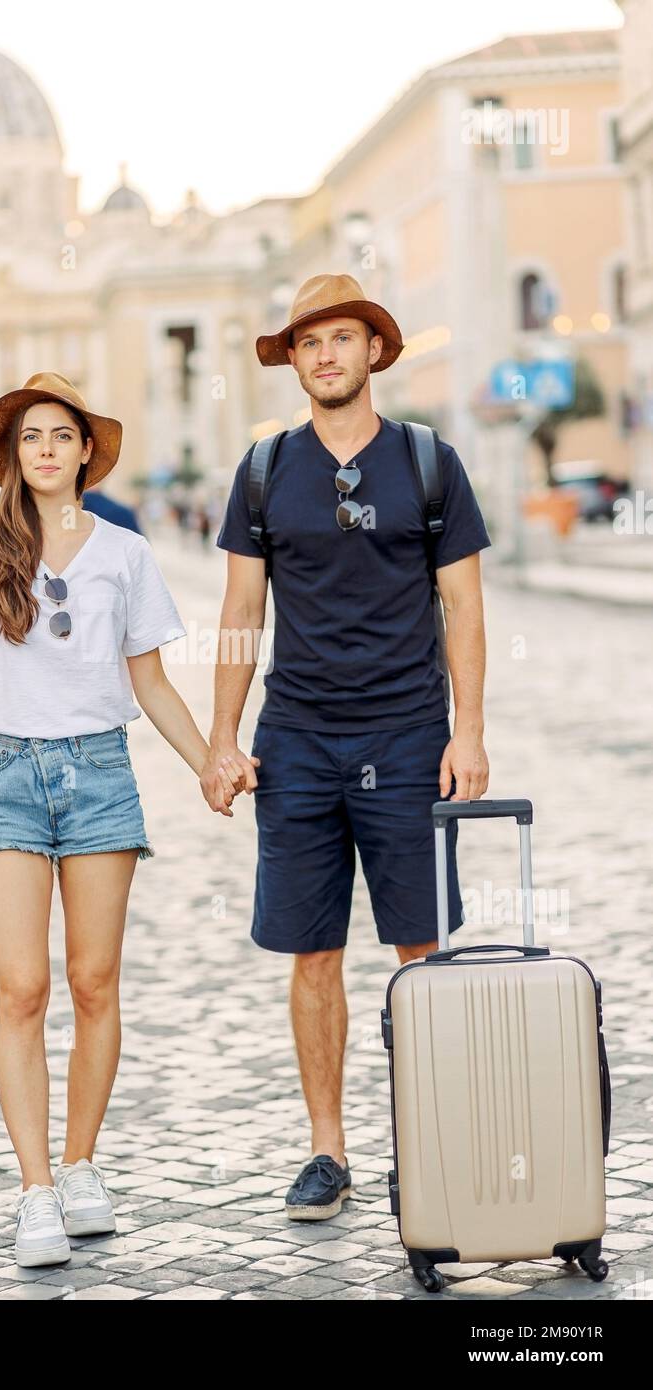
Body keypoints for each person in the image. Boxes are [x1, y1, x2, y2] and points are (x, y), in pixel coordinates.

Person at [0, 371, 240, 1268]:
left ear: (86, 451)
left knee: (96, 984)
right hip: (8, 779)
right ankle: (33, 1193)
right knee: (22, 989)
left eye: (63, 435)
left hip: (101, 774)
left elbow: (149, 682)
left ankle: (81, 1166)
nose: (49, 450)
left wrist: (210, 762)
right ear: (11, 458)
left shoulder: (124, 554)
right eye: (32, 438)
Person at [200, 273, 491, 1222]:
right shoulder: (263, 470)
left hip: (410, 735)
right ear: (294, 361)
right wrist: (221, 738)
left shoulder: (429, 462)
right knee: (312, 952)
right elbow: (242, 614)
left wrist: (470, 731)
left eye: (341, 339)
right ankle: (328, 1150)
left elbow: (465, 607)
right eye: (308, 343)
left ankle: (435, 1139)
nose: (325, 355)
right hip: (297, 743)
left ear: (374, 351)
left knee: (421, 946)